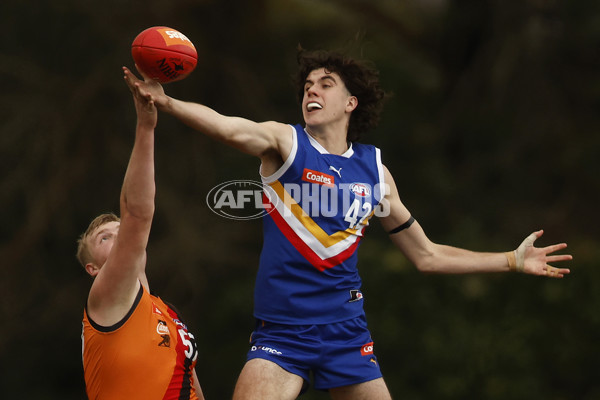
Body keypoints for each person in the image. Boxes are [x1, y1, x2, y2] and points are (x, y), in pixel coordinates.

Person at [123, 48, 572, 399]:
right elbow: (227, 126)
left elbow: (428, 255)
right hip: (284, 332)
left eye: (325, 84)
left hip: (346, 332)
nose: (310, 91)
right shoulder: (285, 143)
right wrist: (169, 103)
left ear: (350, 102)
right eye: (306, 85)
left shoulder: (375, 171)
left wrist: (511, 260)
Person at [78, 67, 204, 400]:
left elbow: (190, 385)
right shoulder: (105, 295)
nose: (119, 236)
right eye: (105, 238)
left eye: (119, 231)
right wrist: (146, 127)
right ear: (92, 269)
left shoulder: (167, 313)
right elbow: (136, 213)